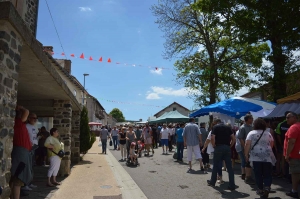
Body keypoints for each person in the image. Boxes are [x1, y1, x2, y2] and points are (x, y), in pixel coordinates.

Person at [244, 118, 276, 198]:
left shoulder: (251, 133)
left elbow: (247, 144)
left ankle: (260, 189)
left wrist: (246, 154)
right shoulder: (268, 133)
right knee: (267, 173)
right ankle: (267, 187)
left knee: (258, 174)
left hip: (256, 157)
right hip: (267, 156)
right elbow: (272, 143)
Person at [10, 105, 32, 199]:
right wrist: (21, 108)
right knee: (18, 179)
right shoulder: (18, 123)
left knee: (16, 178)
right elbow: (27, 111)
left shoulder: (18, 124)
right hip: (21, 154)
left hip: (22, 153)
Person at [207, 118, 236, 190]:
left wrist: (214, 145)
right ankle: (232, 185)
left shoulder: (215, 127)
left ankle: (212, 182)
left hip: (218, 147)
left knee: (216, 165)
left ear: (216, 122)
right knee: (229, 167)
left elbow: (213, 137)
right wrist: (230, 146)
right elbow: (233, 138)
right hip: (227, 147)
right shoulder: (228, 127)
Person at [284, 112, 300, 198]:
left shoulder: (294, 127)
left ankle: (294, 191)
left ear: (294, 117)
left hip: (295, 155)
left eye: (288, 117)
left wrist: (287, 154)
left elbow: (291, 142)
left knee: (295, 173)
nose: (286, 119)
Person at [237, 114, 255, 184]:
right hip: (244, 147)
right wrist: (245, 147)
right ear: (247, 119)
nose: (252, 120)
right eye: (251, 118)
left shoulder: (251, 127)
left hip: (250, 147)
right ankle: (246, 176)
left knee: (248, 161)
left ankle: (246, 175)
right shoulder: (243, 127)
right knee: (246, 161)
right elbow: (240, 138)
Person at [275, 111, 291, 179]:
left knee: (279, 159)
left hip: (281, 145)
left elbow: (278, 135)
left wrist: (281, 144)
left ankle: (279, 172)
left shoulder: (280, 124)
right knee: (286, 160)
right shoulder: (292, 124)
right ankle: (285, 173)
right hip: (289, 144)